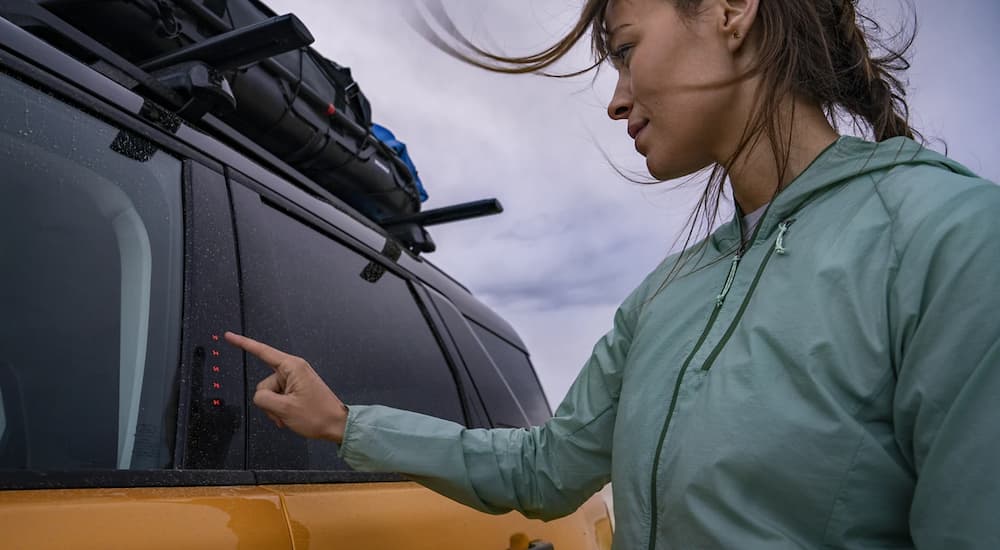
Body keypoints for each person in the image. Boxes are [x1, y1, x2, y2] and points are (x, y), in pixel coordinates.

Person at [226, 0, 1000, 547]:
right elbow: (544, 468)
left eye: (626, 51)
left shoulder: (951, 238)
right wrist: (344, 424)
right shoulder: (663, 296)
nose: (618, 100)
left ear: (733, 10)